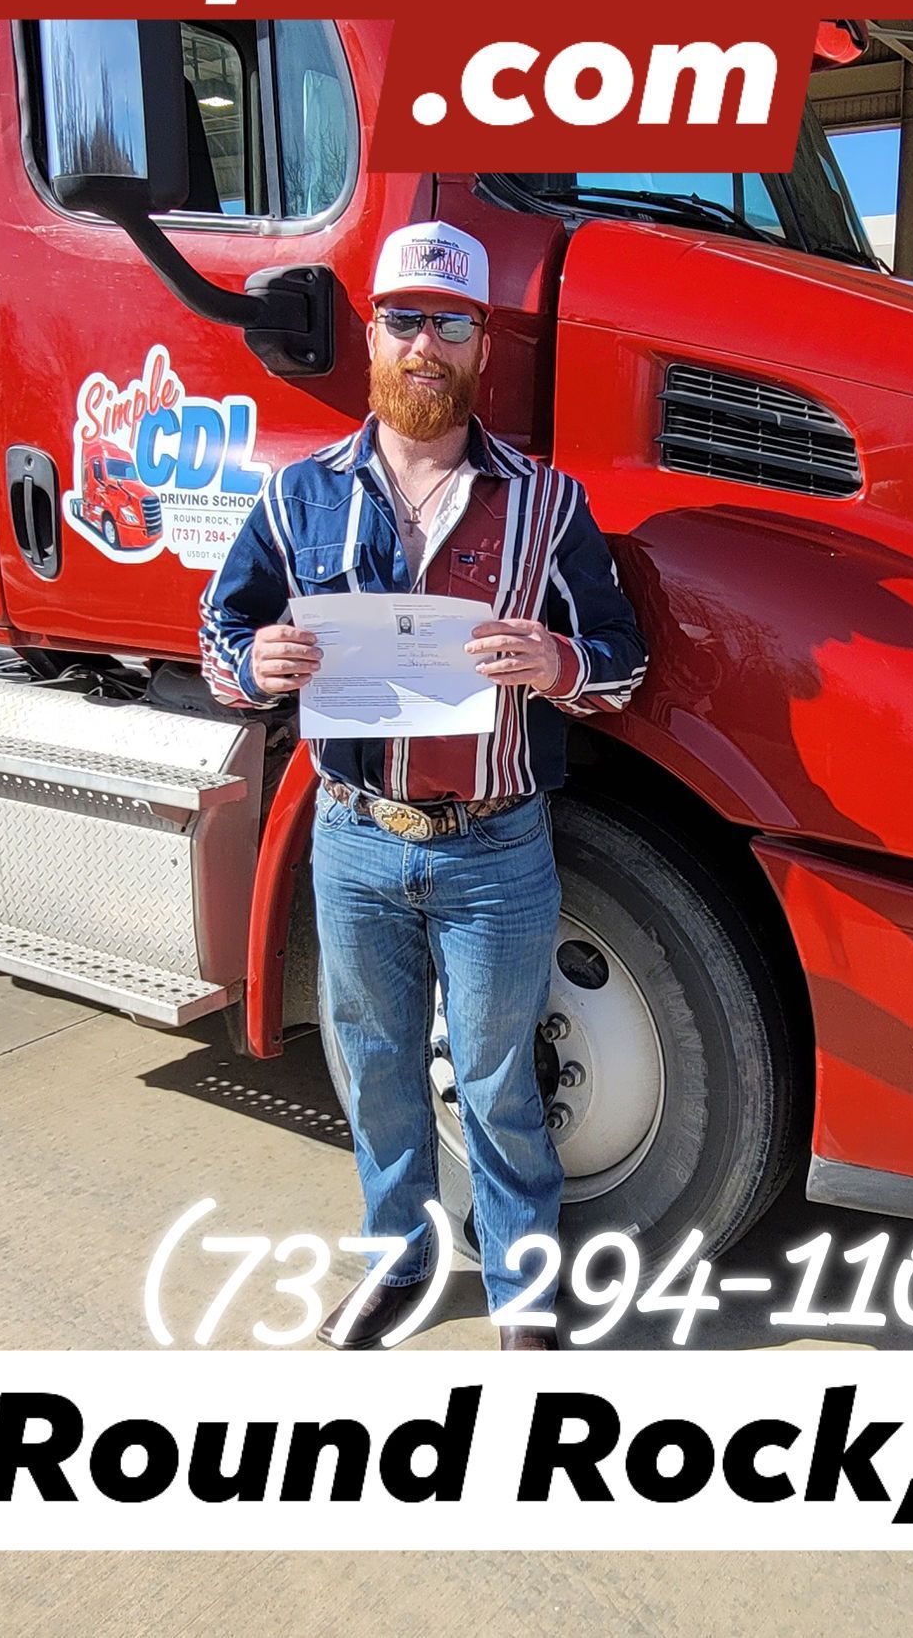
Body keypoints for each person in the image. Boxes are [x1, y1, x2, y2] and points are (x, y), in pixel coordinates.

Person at [199, 219, 648, 1350]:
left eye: (451, 322)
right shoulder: (297, 497)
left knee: (499, 1075)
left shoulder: (548, 503)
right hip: (353, 839)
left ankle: (520, 1287)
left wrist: (560, 663)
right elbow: (220, 631)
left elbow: (626, 661)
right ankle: (400, 1261)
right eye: (405, 319)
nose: (425, 345)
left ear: (482, 345)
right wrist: (255, 667)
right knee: (379, 1063)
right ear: (372, 335)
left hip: (495, 845)